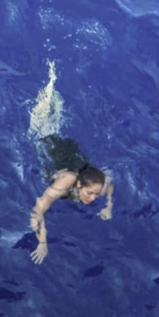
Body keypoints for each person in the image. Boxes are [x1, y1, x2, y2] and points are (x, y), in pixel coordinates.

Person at [26, 63, 112, 265]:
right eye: (90, 193)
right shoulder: (67, 181)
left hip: (63, 147)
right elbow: (39, 207)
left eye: (95, 194)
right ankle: (49, 79)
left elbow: (108, 182)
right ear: (79, 185)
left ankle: (52, 83)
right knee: (41, 116)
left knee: (55, 115)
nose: (92, 199)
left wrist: (109, 205)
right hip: (44, 137)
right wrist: (43, 242)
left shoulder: (96, 181)